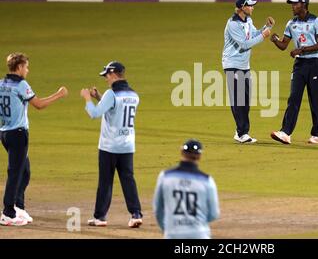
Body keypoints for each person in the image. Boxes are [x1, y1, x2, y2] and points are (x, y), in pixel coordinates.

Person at [0, 53, 68, 226]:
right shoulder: (21, 84)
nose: (28, 70)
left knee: (25, 171)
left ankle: (18, 207)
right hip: (18, 133)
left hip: (5, 132)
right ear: (20, 67)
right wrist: (59, 95)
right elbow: (38, 104)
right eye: (26, 67)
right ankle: (8, 212)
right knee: (15, 172)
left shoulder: (1, 84)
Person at [80, 61, 143, 228]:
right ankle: (136, 214)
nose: (106, 78)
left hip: (109, 146)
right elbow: (117, 109)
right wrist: (100, 97)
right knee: (128, 180)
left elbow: (94, 113)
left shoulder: (111, 94)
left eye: (107, 75)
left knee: (106, 181)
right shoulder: (134, 95)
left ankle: (100, 217)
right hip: (128, 145)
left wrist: (87, 99)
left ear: (114, 74)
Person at [270, 0, 318, 145]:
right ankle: (285, 132)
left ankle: (317, 134)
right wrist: (275, 40)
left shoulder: (316, 21)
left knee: (316, 99)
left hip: (315, 63)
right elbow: (284, 45)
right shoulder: (291, 23)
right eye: (292, 4)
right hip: (299, 65)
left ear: (304, 5)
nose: (292, 6)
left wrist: (302, 50)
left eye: (295, 4)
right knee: (294, 97)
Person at [222, 0, 273, 143]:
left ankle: (241, 132)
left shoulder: (248, 20)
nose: (252, 8)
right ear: (242, 8)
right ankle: (242, 133)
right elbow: (244, 44)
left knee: (245, 100)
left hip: (244, 65)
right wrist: (263, 36)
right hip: (232, 64)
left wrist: (266, 28)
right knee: (238, 100)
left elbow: (253, 35)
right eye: (250, 6)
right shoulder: (233, 24)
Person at [153, 139, 220, 239]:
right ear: (199, 156)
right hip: (199, 233)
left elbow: (158, 208)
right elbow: (213, 213)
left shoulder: (165, 177)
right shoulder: (207, 180)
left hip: (173, 233)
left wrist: (166, 229)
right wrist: (199, 222)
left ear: (182, 152)